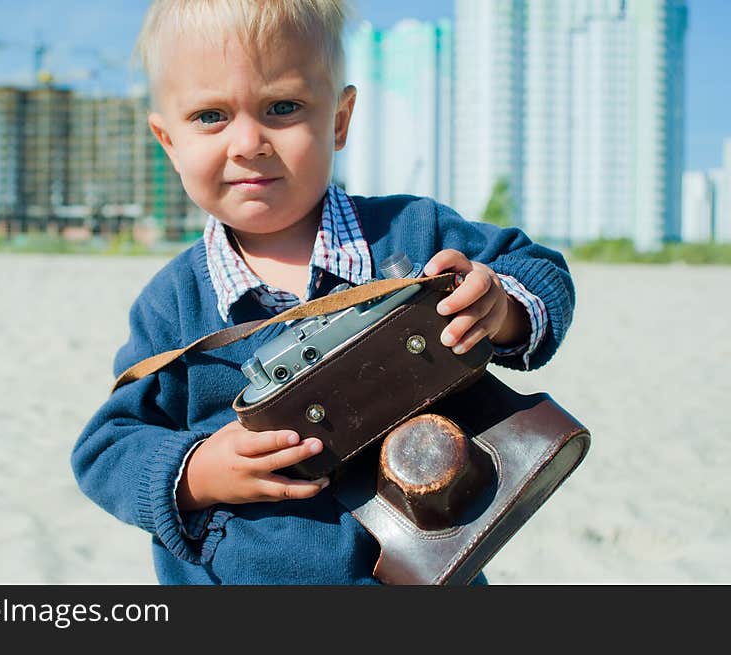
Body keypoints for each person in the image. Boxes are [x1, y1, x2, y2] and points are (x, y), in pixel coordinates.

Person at [70, 0, 574, 585]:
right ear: (168, 141)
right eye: (210, 116)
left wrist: (500, 307)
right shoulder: (173, 302)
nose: (247, 142)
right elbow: (106, 447)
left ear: (338, 119)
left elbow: (540, 271)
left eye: (283, 107)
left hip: (427, 561)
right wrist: (195, 472)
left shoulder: (409, 233)